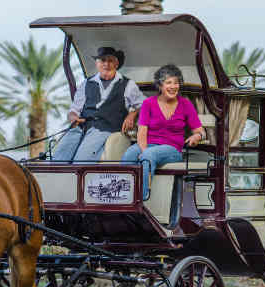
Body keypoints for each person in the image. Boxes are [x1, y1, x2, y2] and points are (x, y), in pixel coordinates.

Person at [121, 64, 205, 200]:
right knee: (129, 154)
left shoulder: (186, 104)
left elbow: (200, 130)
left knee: (149, 155)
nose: (173, 86)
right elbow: (141, 133)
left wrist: (198, 135)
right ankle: (121, 197)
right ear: (160, 85)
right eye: (169, 82)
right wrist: (144, 152)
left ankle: (139, 200)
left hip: (172, 149)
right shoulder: (148, 103)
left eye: (176, 83)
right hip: (148, 144)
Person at [53, 46, 145, 161]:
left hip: (106, 128)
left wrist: (132, 114)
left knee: (80, 160)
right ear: (97, 64)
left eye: (110, 60)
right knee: (58, 158)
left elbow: (145, 104)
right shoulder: (87, 83)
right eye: (102, 60)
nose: (106, 64)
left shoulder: (127, 84)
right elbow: (74, 109)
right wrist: (73, 117)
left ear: (116, 64)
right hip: (81, 128)